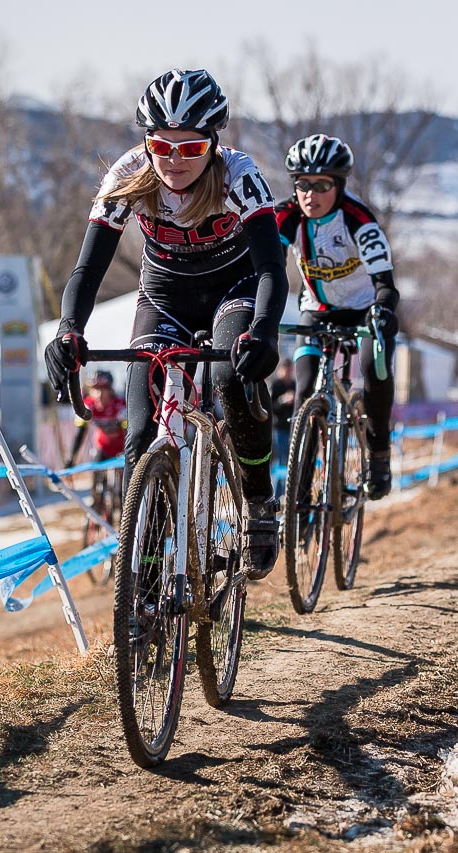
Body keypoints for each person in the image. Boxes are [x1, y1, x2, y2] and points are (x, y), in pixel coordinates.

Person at [43, 69, 289, 579]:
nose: (174, 161)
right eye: (163, 146)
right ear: (146, 142)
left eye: (191, 149)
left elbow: (270, 269)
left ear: (213, 143)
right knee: (139, 430)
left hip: (234, 291)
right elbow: (87, 270)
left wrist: (264, 330)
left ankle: (259, 502)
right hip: (165, 297)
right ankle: (147, 565)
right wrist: (69, 328)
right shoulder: (128, 176)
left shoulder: (239, 176)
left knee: (229, 377)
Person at [275, 133, 399, 499]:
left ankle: (378, 455)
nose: (310, 194)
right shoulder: (286, 217)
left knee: (375, 371)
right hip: (317, 310)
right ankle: (298, 494)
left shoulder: (358, 219)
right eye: (303, 184)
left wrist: (384, 310)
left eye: (322, 185)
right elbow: (269, 269)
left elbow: (386, 283)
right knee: (304, 386)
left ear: (340, 185)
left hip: (364, 310)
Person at [65, 371, 127, 468]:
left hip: (122, 446)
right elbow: (80, 434)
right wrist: (72, 458)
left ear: (110, 390)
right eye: (96, 388)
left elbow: (129, 433)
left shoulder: (120, 406)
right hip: (103, 445)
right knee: (97, 468)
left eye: (104, 389)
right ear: (90, 391)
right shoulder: (87, 406)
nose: (99, 394)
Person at [269, 360, 294, 472]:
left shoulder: (293, 385)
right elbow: (270, 407)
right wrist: (282, 401)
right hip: (279, 428)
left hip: (291, 427)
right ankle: (279, 489)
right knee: (280, 460)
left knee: (289, 460)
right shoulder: (276, 385)